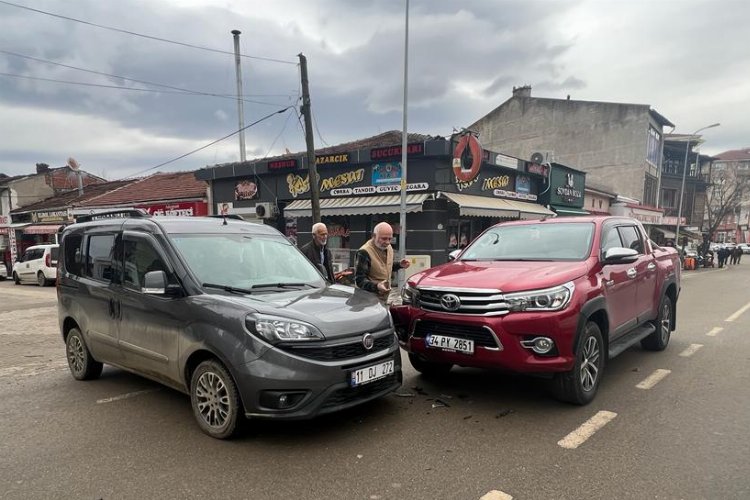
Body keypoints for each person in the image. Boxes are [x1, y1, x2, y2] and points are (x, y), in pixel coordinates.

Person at [354, 222, 410, 302]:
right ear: (374, 236)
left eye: (390, 239)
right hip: (366, 299)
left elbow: (385, 267)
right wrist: (377, 286)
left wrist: (399, 265)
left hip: (383, 298)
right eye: (384, 238)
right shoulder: (364, 252)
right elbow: (360, 280)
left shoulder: (388, 247)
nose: (387, 242)